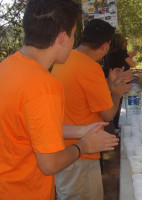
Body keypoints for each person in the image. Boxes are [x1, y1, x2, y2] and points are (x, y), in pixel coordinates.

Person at [0, 1, 119, 200]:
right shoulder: (43, 85)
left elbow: (28, 127)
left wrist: (80, 130)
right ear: (63, 37)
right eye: (73, 35)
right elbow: (50, 164)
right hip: (26, 192)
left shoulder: (7, 67)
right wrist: (85, 145)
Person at [52, 19, 132, 200]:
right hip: (81, 154)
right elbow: (108, 114)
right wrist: (118, 93)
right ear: (105, 46)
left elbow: (78, 92)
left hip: (61, 149)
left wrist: (108, 85)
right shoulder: (91, 67)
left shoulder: (62, 60)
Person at [102, 32, 137, 129]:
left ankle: (115, 124)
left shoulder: (107, 52)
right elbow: (132, 64)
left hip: (111, 81)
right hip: (123, 80)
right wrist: (130, 57)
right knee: (124, 102)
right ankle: (120, 124)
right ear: (121, 42)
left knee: (115, 102)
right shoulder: (121, 52)